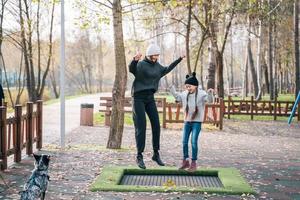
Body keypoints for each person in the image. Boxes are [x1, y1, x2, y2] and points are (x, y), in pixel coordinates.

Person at [129, 43, 185, 169]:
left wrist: (179, 59)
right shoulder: (141, 64)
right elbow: (132, 69)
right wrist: (134, 60)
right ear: (149, 55)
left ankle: (156, 154)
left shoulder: (158, 66)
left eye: (157, 55)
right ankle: (139, 155)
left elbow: (167, 69)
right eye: (154, 55)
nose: (156, 57)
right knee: (141, 126)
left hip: (150, 98)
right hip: (138, 98)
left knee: (156, 125)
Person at [170, 72, 213, 172]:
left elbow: (210, 101)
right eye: (186, 86)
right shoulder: (185, 94)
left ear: (195, 85)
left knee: (193, 141)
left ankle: (193, 163)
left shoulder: (202, 94)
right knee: (184, 141)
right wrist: (172, 89)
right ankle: (185, 161)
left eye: (189, 86)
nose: (188, 88)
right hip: (187, 121)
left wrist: (210, 93)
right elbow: (177, 97)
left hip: (197, 122)